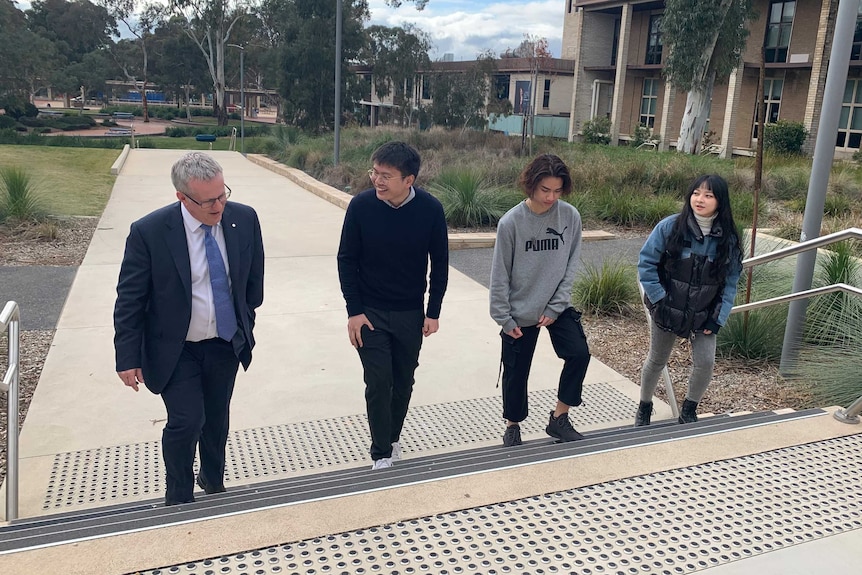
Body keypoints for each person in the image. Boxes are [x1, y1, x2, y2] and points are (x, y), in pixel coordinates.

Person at [113, 152, 264, 505]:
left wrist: (245, 323)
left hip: (225, 342)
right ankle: (179, 495)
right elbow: (130, 300)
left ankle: (213, 481)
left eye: (222, 194)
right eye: (209, 200)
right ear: (182, 197)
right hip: (175, 348)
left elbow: (252, 282)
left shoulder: (244, 218)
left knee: (216, 419)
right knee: (186, 421)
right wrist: (127, 356)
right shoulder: (149, 232)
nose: (219, 206)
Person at [337, 141, 449, 471]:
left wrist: (434, 311)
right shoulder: (361, 207)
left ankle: (392, 437)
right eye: (375, 172)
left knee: (403, 381)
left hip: (410, 313)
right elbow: (346, 260)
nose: (377, 181)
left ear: (409, 180)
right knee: (378, 381)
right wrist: (353, 311)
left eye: (386, 175)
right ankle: (381, 452)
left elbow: (439, 264)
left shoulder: (430, 209)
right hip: (369, 313)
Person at [489, 153, 591, 448]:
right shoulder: (511, 223)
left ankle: (559, 418)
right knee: (516, 373)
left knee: (579, 354)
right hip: (519, 310)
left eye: (557, 191)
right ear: (531, 185)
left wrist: (556, 306)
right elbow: (499, 276)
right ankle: (513, 425)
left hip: (556, 306)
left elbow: (571, 266)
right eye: (545, 190)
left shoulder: (570, 216)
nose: (551, 197)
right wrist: (503, 317)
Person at [636, 174, 742, 426]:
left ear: (720, 201)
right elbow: (646, 265)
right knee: (657, 359)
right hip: (667, 308)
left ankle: (689, 410)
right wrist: (659, 300)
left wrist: (718, 318)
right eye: (696, 193)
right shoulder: (670, 227)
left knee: (705, 363)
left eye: (708, 195)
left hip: (704, 313)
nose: (700, 199)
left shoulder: (729, 239)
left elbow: (730, 282)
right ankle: (644, 406)